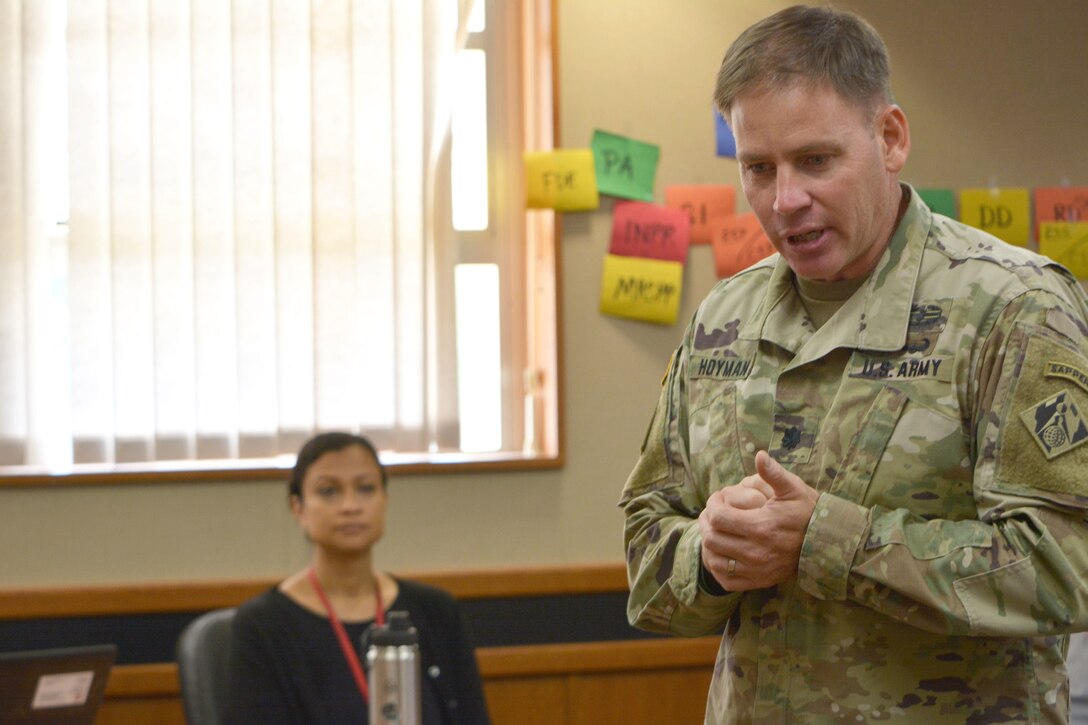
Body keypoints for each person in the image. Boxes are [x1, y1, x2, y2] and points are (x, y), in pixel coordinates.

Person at [620, 5, 1088, 723]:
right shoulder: (724, 319)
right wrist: (711, 554)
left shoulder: (1013, 306)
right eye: (759, 168)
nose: (786, 200)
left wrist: (828, 540)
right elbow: (647, 562)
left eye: (816, 160)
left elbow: (1067, 567)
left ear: (890, 138)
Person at [228, 432, 490, 724]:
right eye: (328, 491)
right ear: (297, 507)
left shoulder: (437, 611)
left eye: (365, 488)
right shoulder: (262, 627)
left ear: (384, 500)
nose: (350, 505)